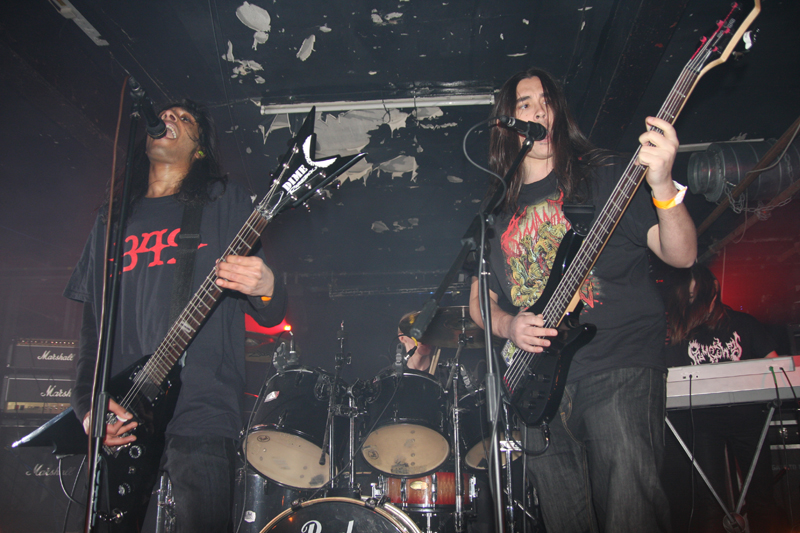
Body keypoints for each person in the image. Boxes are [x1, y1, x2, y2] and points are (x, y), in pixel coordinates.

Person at [468, 68, 696, 532]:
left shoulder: (606, 176)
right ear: (507, 125)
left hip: (618, 364)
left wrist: (663, 187)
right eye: (526, 104)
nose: (540, 112)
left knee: (631, 514)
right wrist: (509, 325)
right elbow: (478, 300)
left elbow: (682, 254)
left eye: (547, 102)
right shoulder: (496, 210)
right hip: (536, 388)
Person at [66, 99, 287, 532]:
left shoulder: (222, 200)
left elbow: (271, 313)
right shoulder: (112, 218)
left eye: (185, 119)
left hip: (203, 407)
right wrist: (87, 405)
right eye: (165, 114)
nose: (169, 118)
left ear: (199, 148)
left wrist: (267, 285)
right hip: (123, 413)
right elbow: (92, 327)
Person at [662, 264, 785, 533]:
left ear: (713, 291)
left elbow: (775, 366)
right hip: (703, 425)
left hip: (749, 420)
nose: (692, 302)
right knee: (709, 503)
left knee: (762, 497)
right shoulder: (683, 332)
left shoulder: (744, 323)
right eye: (688, 296)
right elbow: (668, 377)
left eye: (696, 295)